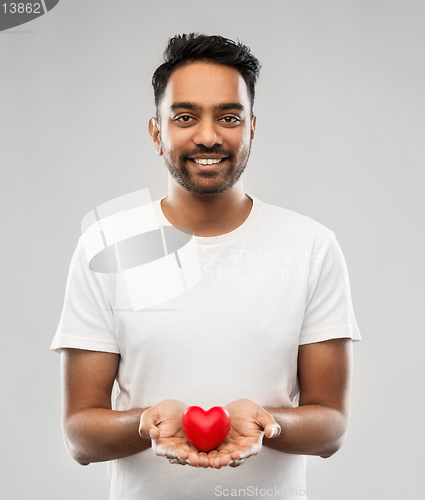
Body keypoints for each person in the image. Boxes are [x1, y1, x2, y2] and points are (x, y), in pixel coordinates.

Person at [51, 33, 361, 499]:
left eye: (229, 117)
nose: (209, 136)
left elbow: (331, 427)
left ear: (252, 128)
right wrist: (145, 424)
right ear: (157, 132)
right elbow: (80, 436)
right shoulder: (108, 246)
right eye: (185, 117)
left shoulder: (310, 246)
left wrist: (268, 422)